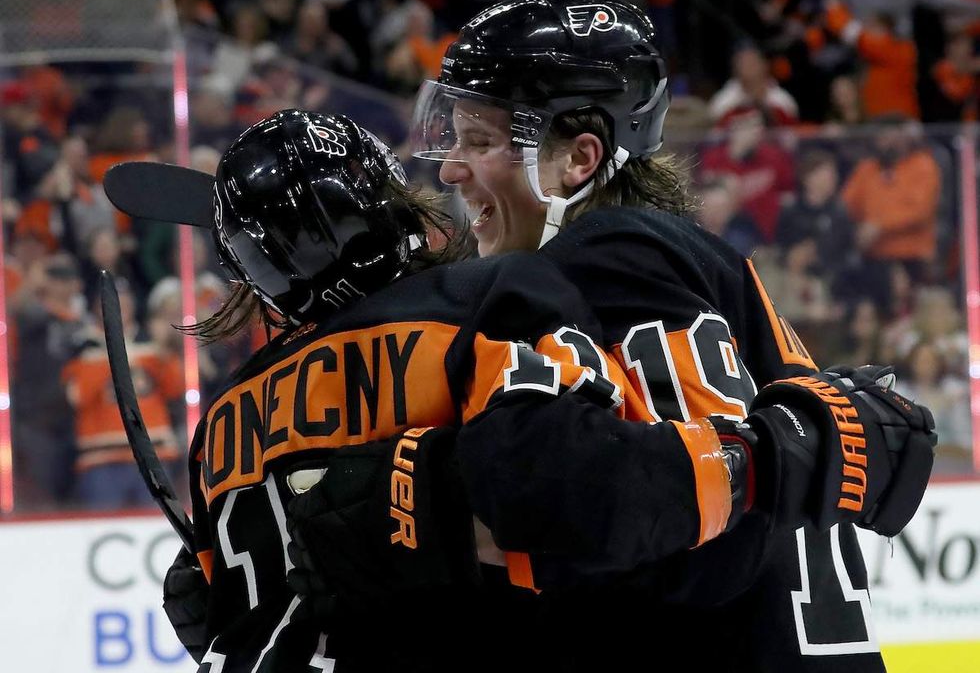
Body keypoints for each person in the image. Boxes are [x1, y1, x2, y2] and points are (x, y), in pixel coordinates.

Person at [137, 107, 934, 671]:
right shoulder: (487, 299)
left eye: (478, 140)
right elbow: (578, 500)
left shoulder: (221, 419)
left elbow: (227, 602)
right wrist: (766, 457)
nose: (454, 172)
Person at [296, 0, 934, 672]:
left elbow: (708, 543)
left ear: (579, 159)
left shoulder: (608, 254)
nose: (450, 167)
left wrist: (437, 502)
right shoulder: (671, 256)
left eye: (479, 141)